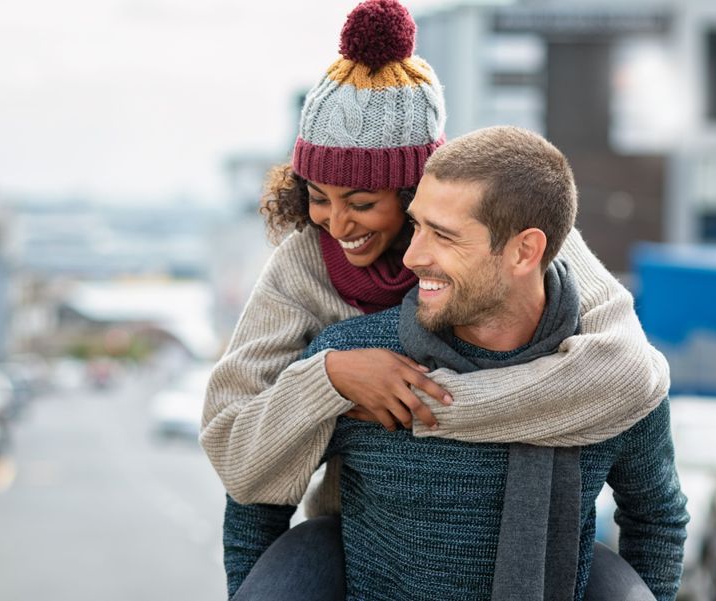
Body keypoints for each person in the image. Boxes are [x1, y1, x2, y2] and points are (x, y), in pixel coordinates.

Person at [201, 0, 669, 514]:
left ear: (415, 191)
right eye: (316, 197)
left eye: (361, 203)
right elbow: (231, 443)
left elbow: (627, 372)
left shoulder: (511, 232)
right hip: (357, 522)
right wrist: (331, 378)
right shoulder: (304, 262)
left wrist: (420, 405)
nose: (335, 225)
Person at [224, 125, 689, 601]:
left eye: (443, 236)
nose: (412, 255)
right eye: (416, 225)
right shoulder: (358, 364)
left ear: (525, 251)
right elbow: (255, 496)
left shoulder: (610, 382)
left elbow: (656, 517)